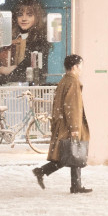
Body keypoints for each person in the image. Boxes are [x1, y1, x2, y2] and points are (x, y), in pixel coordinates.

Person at [32, 54, 92, 194]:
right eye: (80, 66)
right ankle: (44, 172)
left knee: (69, 154)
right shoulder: (73, 82)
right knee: (71, 153)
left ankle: (73, 184)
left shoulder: (64, 80)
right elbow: (72, 106)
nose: (81, 69)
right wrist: (75, 128)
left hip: (63, 122)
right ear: (74, 67)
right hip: (69, 124)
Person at [0, 0, 49, 84]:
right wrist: (1, 70)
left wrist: (6, 72)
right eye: (20, 15)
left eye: (29, 15)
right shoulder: (10, 39)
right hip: (7, 90)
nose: (24, 19)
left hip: (29, 90)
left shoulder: (40, 42)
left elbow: (35, 71)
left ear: (37, 18)